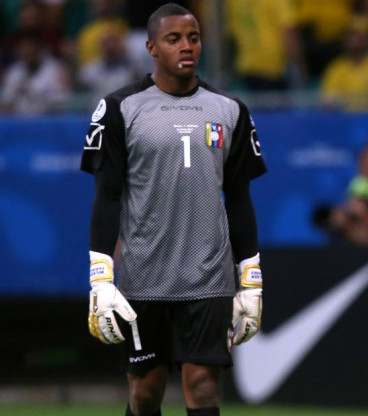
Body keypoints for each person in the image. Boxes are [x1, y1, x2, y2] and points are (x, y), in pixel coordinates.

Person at [80, 4, 266, 416]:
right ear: (151, 47)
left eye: (194, 38)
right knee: (146, 392)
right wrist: (100, 278)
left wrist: (250, 280)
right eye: (174, 38)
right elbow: (106, 196)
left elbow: (238, 199)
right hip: (143, 278)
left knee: (201, 387)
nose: (187, 46)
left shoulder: (230, 110)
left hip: (208, 278)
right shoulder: (118, 109)